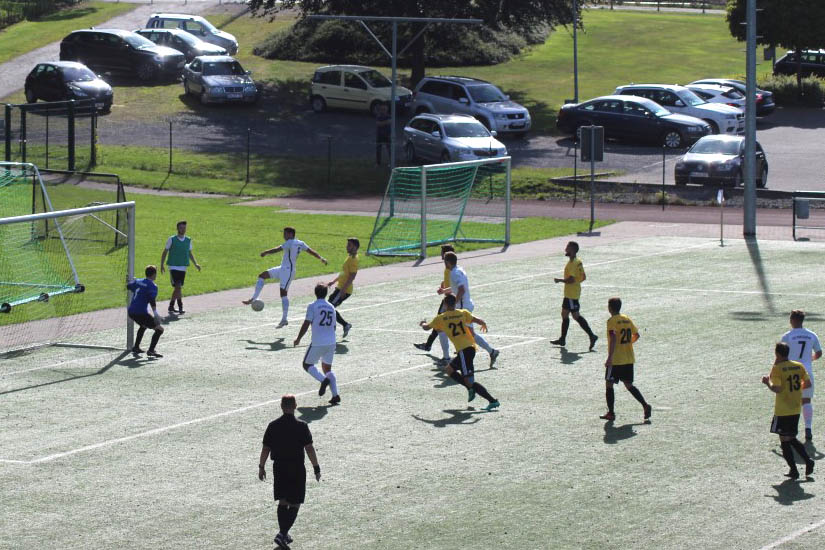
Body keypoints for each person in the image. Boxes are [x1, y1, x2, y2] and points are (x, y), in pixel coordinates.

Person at [258, 394, 322, 549]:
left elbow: (266, 448)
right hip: (296, 468)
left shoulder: (273, 425)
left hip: (279, 468)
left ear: (281, 406)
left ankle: (284, 534)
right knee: (296, 502)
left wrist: (261, 467)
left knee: (283, 500)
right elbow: (309, 448)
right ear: (295, 406)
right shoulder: (301, 426)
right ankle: (282, 534)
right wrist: (316, 467)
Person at [419, 294, 500, 410]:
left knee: (469, 381)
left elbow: (427, 327)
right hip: (470, 348)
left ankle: (492, 401)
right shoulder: (463, 312)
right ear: (455, 303)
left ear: (445, 304)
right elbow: (478, 320)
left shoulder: (441, 317)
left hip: (464, 350)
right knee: (449, 369)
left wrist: (422, 323)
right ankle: (470, 388)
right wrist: (483, 323)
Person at [243, 227, 328, 328]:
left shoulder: (290, 242)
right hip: (282, 269)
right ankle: (254, 298)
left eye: (285, 234)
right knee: (262, 276)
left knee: (283, 294)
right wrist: (321, 258)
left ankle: (284, 319)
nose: (284, 236)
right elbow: (311, 251)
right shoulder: (300, 243)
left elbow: (277, 249)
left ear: (291, 234)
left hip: (288, 272)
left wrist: (265, 252)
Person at [763, 342, 815, 480]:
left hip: (783, 409)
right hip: (796, 407)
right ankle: (801, 465)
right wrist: (795, 390)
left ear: (777, 354)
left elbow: (778, 389)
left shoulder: (778, 368)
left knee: (785, 439)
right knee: (789, 437)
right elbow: (808, 384)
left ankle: (797, 468)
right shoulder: (799, 366)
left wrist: (767, 383)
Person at [442, 251, 500, 367]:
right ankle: (490, 351)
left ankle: (490, 351)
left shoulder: (453, 273)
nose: (443, 263)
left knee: (467, 333)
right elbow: (457, 288)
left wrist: (454, 303)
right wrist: (445, 291)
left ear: (448, 262)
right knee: (467, 332)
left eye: (444, 260)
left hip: (463, 306)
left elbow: (461, 289)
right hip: (466, 304)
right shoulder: (460, 270)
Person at [600, 297, 651, 422]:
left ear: (610, 308)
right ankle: (645, 405)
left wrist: (610, 357)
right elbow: (636, 335)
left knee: (609, 384)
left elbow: (613, 338)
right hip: (628, 358)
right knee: (628, 385)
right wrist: (628, 344)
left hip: (616, 360)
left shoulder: (612, 321)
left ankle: (611, 413)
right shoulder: (627, 319)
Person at [294, 284, 341, 405]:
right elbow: (334, 327)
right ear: (326, 293)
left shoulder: (312, 306)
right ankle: (335, 395)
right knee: (327, 369)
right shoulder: (331, 307)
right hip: (331, 342)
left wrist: (298, 338)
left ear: (315, 293)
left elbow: (306, 323)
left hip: (318, 342)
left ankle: (323, 380)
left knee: (306, 364)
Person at [780, 310, 822, 442]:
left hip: (791, 373)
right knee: (806, 401)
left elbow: (781, 355)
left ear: (792, 320)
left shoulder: (787, 336)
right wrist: (810, 359)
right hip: (806, 372)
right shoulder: (811, 335)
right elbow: (819, 352)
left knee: (790, 402)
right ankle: (808, 429)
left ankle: (791, 431)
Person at [551, 241, 598, 350]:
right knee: (564, 314)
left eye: (567, 248)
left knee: (575, 316)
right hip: (571, 293)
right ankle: (563, 339)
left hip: (571, 294)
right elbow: (583, 277)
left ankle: (592, 335)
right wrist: (576, 283)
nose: (565, 250)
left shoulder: (573, 263)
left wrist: (559, 280)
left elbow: (571, 280)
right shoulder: (577, 261)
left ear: (572, 250)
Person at [414, 244, 455, 363]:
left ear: (445, 255)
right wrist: (444, 284)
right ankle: (428, 345)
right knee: (440, 324)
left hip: (450, 301)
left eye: (442, 252)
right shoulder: (449, 268)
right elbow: (451, 281)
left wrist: (444, 290)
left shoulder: (450, 269)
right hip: (448, 300)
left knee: (440, 324)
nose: (440, 254)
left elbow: (455, 285)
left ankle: (446, 353)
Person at [159, 220, 201, 314]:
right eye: (181, 228)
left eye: (184, 228)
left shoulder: (188, 240)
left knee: (178, 288)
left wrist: (196, 264)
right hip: (173, 266)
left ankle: (171, 306)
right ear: (177, 228)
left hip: (183, 267)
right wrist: (162, 264)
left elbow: (190, 253)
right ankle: (180, 306)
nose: (183, 229)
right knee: (178, 287)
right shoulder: (172, 239)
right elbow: (165, 251)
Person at [126, 265, 165, 358]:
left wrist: (133, 281)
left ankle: (136, 347)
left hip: (131, 311)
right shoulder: (153, 286)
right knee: (160, 330)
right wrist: (156, 314)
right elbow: (152, 299)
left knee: (143, 325)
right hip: (141, 312)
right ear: (153, 274)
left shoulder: (138, 281)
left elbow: (128, 286)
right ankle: (151, 351)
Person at [326, 238, 359, 338]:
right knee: (329, 306)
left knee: (330, 307)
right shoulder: (349, 257)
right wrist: (334, 281)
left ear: (355, 247)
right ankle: (343, 325)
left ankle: (339, 326)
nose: (347, 246)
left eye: (349, 245)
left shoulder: (353, 259)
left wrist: (343, 290)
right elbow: (344, 273)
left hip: (344, 289)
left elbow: (352, 276)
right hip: (340, 288)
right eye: (347, 244)